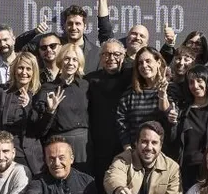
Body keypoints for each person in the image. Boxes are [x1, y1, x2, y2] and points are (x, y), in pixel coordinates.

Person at [33, 42, 90, 170]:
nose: (71, 63)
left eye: (75, 60)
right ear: (60, 61)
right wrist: (50, 110)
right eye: (67, 59)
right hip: (59, 144)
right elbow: (39, 128)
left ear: (79, 62)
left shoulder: (85, 86)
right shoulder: (48, 89)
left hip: (84, 145)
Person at [0, 51, 46, 175]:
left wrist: (28, 106)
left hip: (27, 156)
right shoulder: (1, 91)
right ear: (14, 70)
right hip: (3, 154)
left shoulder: (39, 94)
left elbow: (41, 128)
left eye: (28, 69)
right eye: (20, 68)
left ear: (34, 71)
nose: (24, 72)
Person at [168, 65, 208, 192]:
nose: (195, 86)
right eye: (191, 82)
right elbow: (173, 140)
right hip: (187, 170)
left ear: (207, 81)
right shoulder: (183, 111)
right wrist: (172, 123)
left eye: (199, 81)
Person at [87, 39, 132, 177]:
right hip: (100, 146)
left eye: (116, 54)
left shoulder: (132, 76)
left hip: (126, 143)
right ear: (100, 57)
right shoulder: (89, 80)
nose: (111, 58)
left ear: (124, 56)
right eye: (106, 54)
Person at [115, 47, 173, 150]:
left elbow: (171, 117)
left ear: (158, 62)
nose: (144, 65)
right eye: (140, 63)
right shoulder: (130, 93)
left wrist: (162, 95)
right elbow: (121, 123)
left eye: (148, 61)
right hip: (136, 153)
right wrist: (128, 148)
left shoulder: (171, 89)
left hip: (164, 154)